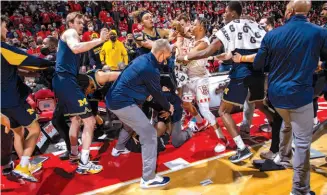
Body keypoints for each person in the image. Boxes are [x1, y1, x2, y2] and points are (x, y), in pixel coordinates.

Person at [177, 1, 266, 163]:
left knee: (223, 111)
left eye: (225, 12)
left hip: (237, 73)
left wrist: (184, 57)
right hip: (258, 72)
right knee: (260, 104)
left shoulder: (229, 27)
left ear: (232, 13)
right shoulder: (255, 25)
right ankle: (280, 136)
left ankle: (240, 147)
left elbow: (208, 50)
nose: (223, 15)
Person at [252, 1, 327, 194]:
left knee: (287, 123)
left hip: (276, 96)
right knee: (302, 143)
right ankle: (300, 189)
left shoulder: (273, 34)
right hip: (300, 95)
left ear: (290, 12)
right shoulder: (319, 32)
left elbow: (259, 64)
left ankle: (283, 158)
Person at [107, 39, 173, 189]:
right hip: (122, 102)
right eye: (167, 57)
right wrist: (168, 106)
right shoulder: (150, 68)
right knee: (149, 133)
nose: (166, 60)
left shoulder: (142, 59)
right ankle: (148, 178)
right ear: (161, 53)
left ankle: (118, 149)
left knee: (131, 126)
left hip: (116, 99)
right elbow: (156, 93)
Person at [52, 12, 109, 174]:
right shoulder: (70, 33)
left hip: (63, 81)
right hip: (66, 81)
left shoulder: (72, 36)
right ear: (70, 23)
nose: (81, 25)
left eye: (82, 23)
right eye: (78, 22)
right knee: (90, 121)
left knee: (75, 119)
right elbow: (76, 49)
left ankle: (74, 154)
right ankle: (84, 162)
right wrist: (99, 40)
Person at [1, 15, 54, 181]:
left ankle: (25, 163)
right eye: (4, 27)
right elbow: (30, 60)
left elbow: (10, 69)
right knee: (35, 129)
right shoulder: (2, 48)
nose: (7, 30)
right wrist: (51, 63)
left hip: (2, 103)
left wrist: (27, 72)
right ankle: (23, 166)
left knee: (18, 132)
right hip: (14, 99)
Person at [175, 17, 227, 153]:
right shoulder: (193, 38)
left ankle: (222, 138)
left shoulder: (204, 43)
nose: (191, 26)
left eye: (194, 24)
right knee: (185, 103)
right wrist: (179, 30)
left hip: (200, 79)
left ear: (201, 28)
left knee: (204, 109)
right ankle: (200, 122)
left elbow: (187, 58)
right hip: (188, 78)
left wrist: (179, 46)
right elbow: (181, 32)